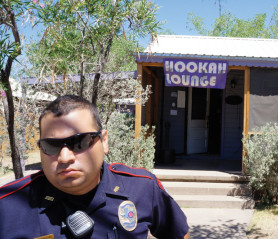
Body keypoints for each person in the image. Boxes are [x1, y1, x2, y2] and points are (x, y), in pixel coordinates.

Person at [0, 95, 189, 239]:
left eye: (79, 142)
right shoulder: (8, 205)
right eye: (52, 146)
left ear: (103, 141)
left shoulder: (143, 188)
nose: (65, 157)